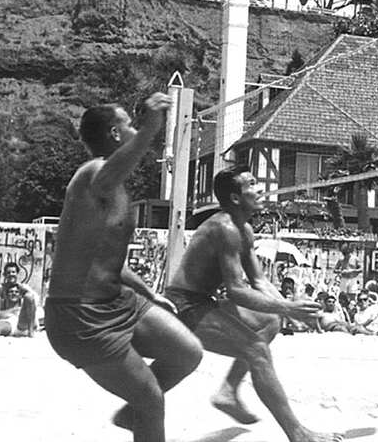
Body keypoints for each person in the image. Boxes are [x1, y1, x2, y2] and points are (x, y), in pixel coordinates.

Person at [44, 95, 203, 442]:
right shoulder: (93, 174)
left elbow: (110, 260)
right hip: (80, 318)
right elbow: (113, 169)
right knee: (152, 400)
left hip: (118, 301)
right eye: (128, 125)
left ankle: (133, 413)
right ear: (116, 134)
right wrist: (151, 128)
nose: (134, 129)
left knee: (187, 353)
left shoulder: (115, 186)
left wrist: (151, 294)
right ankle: (143, 408)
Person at [164, 167, 337, 442]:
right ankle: (298, 434)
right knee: (256, 349)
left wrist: (291, 308)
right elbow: (236, 291)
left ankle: (228, 391)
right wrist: (288, 308)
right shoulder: (224, 228)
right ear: (235, 197)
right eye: (253, 184)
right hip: (183, 305)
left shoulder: (243, 228)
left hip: (204, 300)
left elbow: (258, 281)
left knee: (270, 320)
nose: (261, 189)